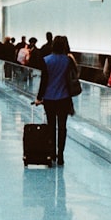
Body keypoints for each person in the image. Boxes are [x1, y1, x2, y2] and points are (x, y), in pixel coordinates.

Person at [34, 35, 80, 166]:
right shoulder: (68, 60)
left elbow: (44, 81)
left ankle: (52, 153)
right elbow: (74, 76)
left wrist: (39, 97)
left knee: (51, 126)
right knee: (62, 127)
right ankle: (61, 155)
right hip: (64, 98)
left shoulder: (46, 60)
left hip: (49, 99)